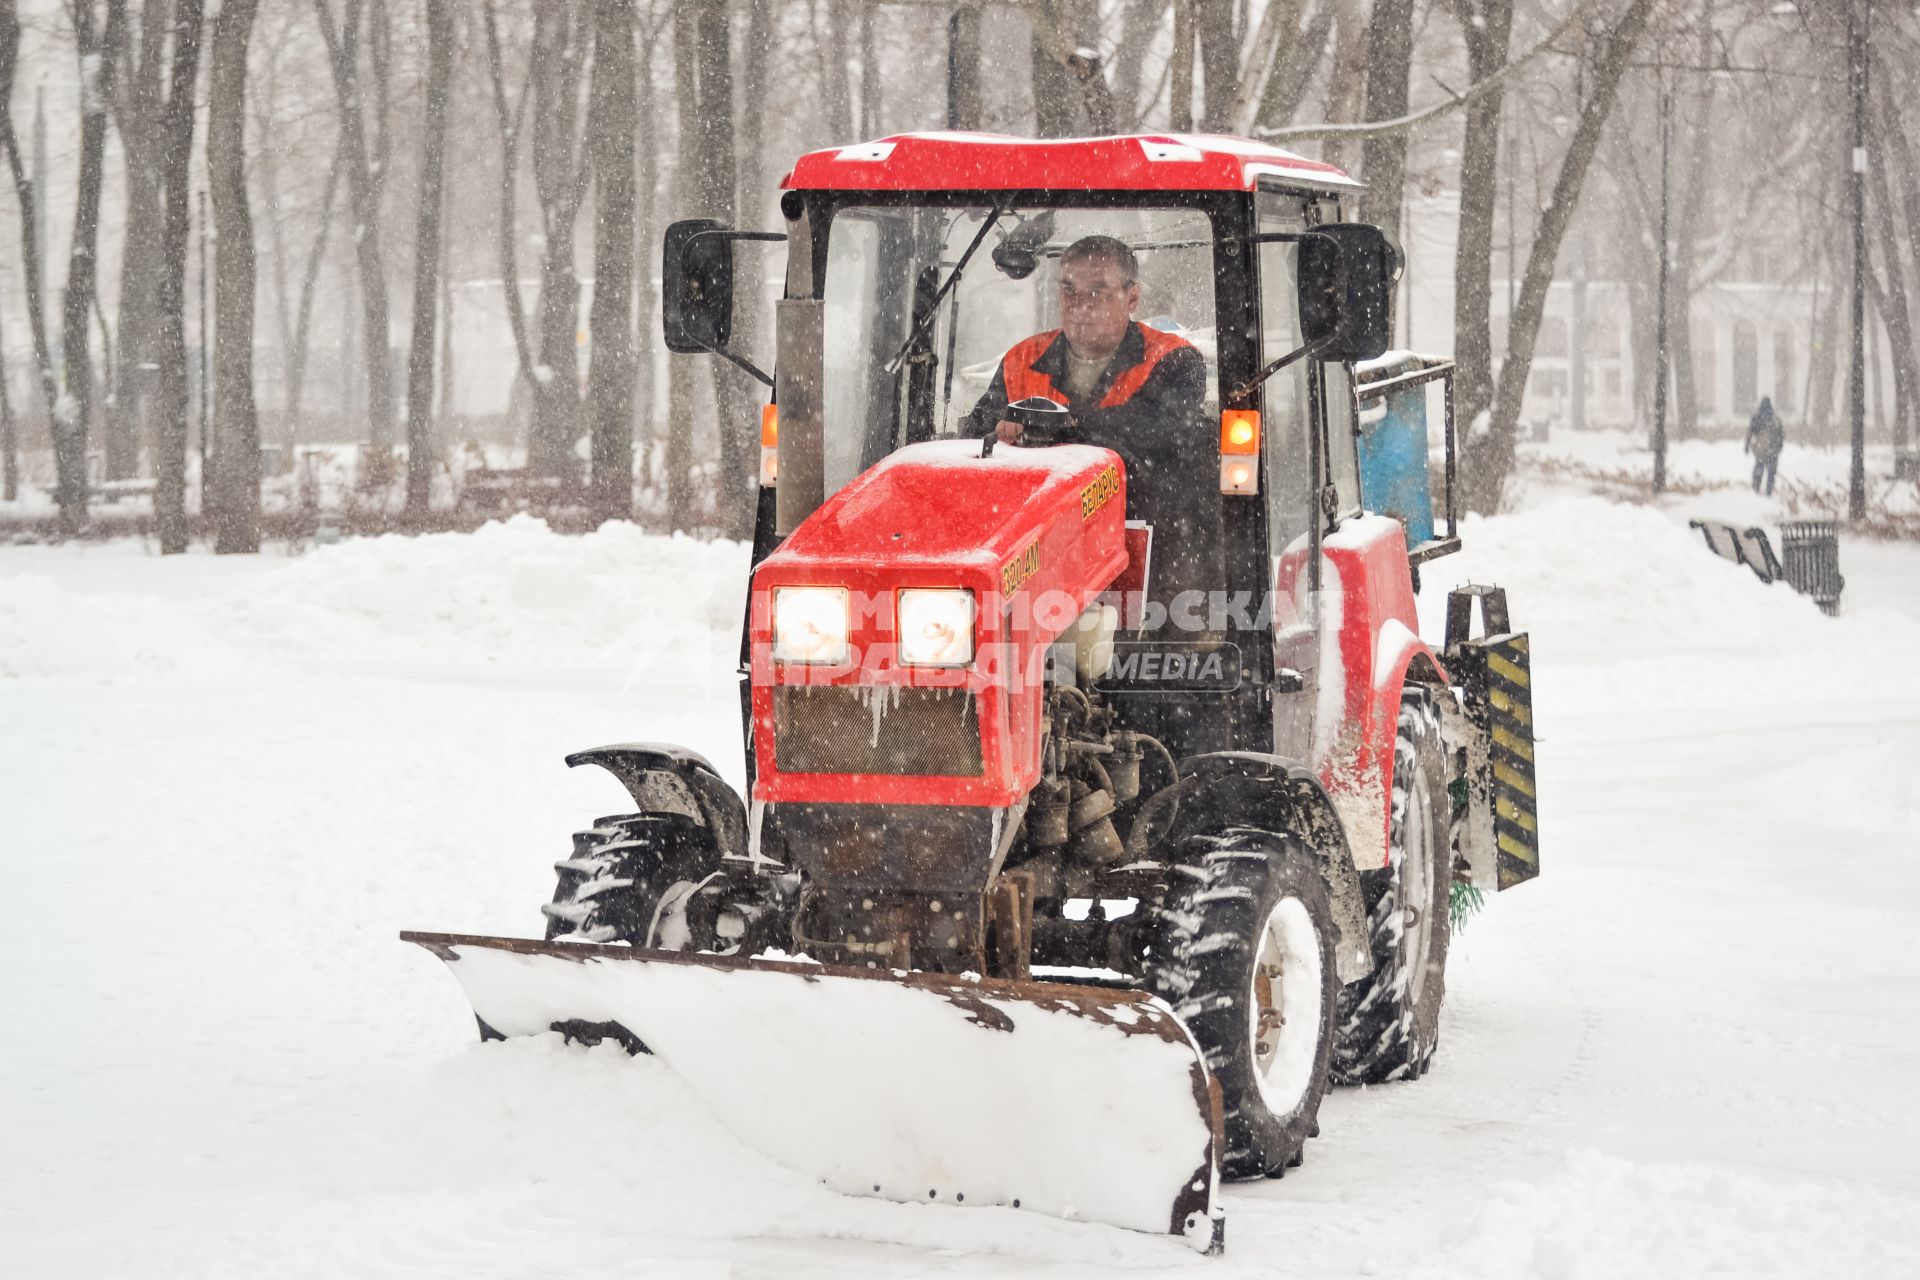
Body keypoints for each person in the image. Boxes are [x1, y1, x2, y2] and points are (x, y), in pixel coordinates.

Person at [964, 235, 1218, 601]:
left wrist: (1051, 429)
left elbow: (1153, 429)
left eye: (1098, 291)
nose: (1081, 305)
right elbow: (973, 439)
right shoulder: (1021, 359)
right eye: (1070, 291)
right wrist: (997, 432)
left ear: (1132, 297)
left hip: (1148, 556)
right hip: (1031, 555)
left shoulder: (1173, 360)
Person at [1745, 395, 1784, 495]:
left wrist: (1747, 445)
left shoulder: (1757, 417)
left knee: (1759, 468)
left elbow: (1750, 432)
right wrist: (1779, 447)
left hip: (1761, 449)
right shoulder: (1775, 419)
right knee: (1771, 472)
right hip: (1773, 450)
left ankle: (1756, 488)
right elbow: (1781, 434)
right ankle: (1769, 491)